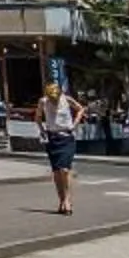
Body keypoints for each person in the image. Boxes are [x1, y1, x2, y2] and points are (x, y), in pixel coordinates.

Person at [40, 84, 81, 214]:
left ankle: (67, 200)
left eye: (56, 98)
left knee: (65, 169)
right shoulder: (43, 102)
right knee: (57, 172)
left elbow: (80, 109)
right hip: (52, 138)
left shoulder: (67, 99)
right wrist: (42, 131)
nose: (54, 100)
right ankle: (61, 200)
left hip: (67, 137)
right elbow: (37, 118)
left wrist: (74, 124)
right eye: (51, 98)